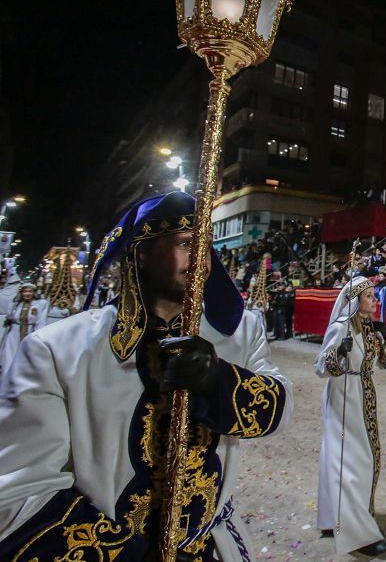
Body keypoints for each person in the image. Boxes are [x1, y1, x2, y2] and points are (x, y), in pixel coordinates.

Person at [0, 191, 292, 559]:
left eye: (206, 244)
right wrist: (131, 555)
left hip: (210, 548)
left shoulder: (240, 331)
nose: (202, 258)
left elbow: (279, 410)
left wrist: (220, 383)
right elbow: (18, 495)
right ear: (141, 251)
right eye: (186, 243)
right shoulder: (58, 350)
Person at [315, 276, 386, 557]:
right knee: (352, 459)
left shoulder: (371, 329)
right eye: (369, 297)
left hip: (364, 395)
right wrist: (339, 351)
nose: (375, 301)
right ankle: (357, 532)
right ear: (355, 301)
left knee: (359, 456)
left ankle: (335, 518)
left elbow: (385, 363)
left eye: (375, 296)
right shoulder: (340, 329)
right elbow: (320, 366)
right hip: (343, 396)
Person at [0, 284, 48, 379]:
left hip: (30, 332)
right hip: (13, 334)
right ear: (21, 293)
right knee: (10, 356)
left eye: (30, 291)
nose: (27, 294)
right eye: (25, 291)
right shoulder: (15, 305)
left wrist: (38, 336)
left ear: (34, 293)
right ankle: (8, 378)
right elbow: (9, 318)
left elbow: (41, 321)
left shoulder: (40, 304)